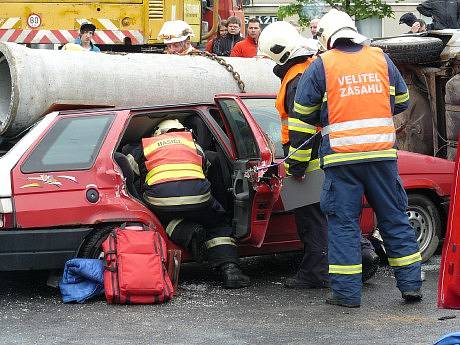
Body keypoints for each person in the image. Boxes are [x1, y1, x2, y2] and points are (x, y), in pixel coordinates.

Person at [293, 9, 422, 308]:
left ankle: (346, 295)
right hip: (381, 158)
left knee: (343, 225)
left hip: (342, 160)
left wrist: (298, 160)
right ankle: (411, 286)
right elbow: (401, 100)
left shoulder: (321, 64)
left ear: (327, 37)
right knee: (394, 219)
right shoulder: (380, 58)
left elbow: (301, 118)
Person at [258, 21, 379, 289]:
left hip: (308, 161)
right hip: (332, 155)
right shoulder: (315, 67)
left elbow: (301, 128)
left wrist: (296, 168)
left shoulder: (295, 79)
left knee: (312, 221)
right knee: (333, 214)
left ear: (279, 53)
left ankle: (316, 273)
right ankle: (363, 256)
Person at [127, 119, 250, 289]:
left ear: (158, 132)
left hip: (160, 201)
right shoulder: (194, 145)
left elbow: (126, 171)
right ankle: (230, 269)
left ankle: (189, 233)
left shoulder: (145, 146)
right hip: (199, 198)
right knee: (217, 224)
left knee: (159, 220)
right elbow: (206, 169)